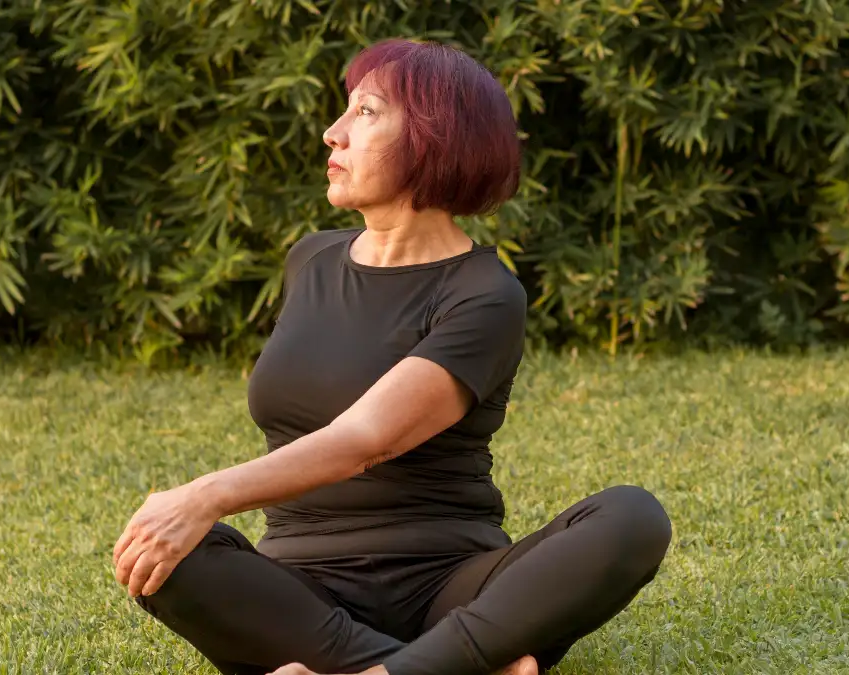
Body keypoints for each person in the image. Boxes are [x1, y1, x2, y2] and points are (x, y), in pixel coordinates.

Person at [111, 38, 672, 675]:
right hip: (301, 588)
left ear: (436, 140)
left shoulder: (486, 294)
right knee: (163, 552)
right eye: (342, 112)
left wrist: (204, 495)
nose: (332, 133)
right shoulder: (311, 261)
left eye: (366, 114)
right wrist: (187, 516)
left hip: (451, 584)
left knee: (631, 517)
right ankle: (452, 666)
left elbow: (368, 437)